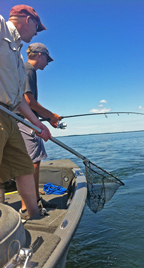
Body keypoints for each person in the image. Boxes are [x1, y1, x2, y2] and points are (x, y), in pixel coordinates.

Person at [0, 5, 51, 220]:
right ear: (28, 20)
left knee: (24, 166)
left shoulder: (19, 58)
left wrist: (38, 125)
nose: (36, 34)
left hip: (11, 116)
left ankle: (34, 214)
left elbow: (20, 98)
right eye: (37, 29)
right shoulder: (1, 27)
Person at [18, 43, 62, 214]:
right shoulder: (29, 69)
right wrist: (51, 116)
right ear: (38, 55)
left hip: (25, 121)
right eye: (47, 58)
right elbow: (30, 102)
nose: (48, 63)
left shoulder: (26, 70)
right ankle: (30, 206)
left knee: (32, 162)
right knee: (32, 163)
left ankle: (34, 200)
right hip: (25, 122)